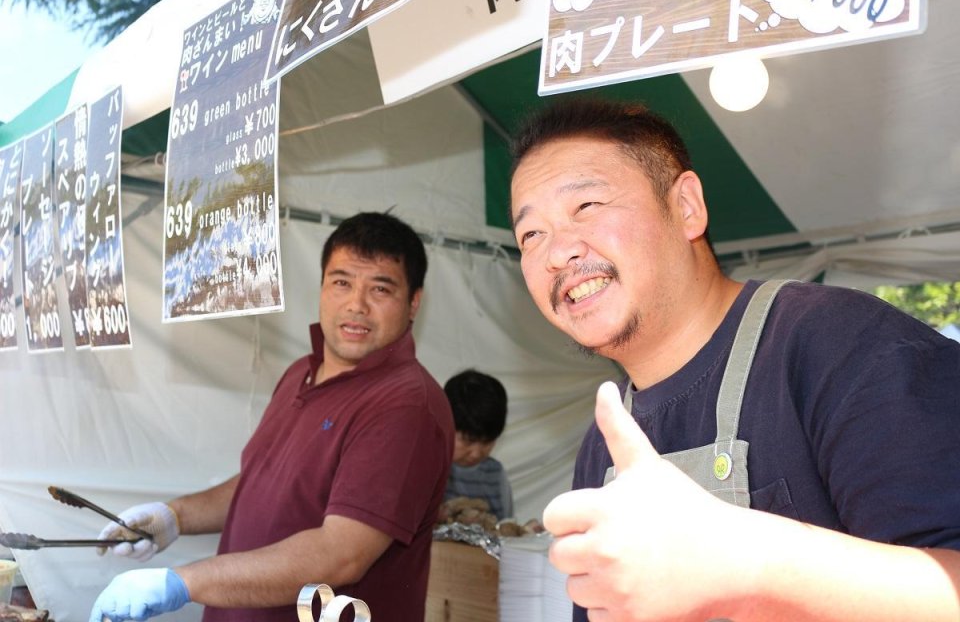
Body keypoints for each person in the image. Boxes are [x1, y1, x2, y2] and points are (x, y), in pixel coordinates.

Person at [509, 98, 960, 621]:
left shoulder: (841, 343)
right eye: (530, 235)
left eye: (585, 206)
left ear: (686, 207)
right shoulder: (605, 445)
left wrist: (746, 567)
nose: (556, 252)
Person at [90, 212, 455, 622]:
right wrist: (176, 516)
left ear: (413, 303)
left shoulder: (405, 404)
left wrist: (182, 582)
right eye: (342, 282)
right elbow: (262, 483)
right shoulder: (302, 371)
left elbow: (341, 555)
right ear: (321, 287)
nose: (357, 304)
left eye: (381, 289)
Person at [443, 369, 514, 520]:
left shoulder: (495, 473)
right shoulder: (427, 466)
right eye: (468, 441)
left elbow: (505, 524)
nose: (476, 453)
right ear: (444, 424)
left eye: (487, 442)